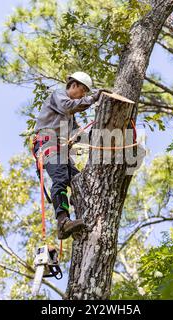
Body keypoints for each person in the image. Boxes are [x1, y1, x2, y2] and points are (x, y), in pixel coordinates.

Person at [33, 72, 108, 239]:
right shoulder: (58, 96)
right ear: (73, 85)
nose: (83, 95)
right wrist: (93, 99)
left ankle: (80, 213)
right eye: (82, 91)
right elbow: (68, 105)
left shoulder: (70, 116)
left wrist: (99, 137)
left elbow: (77, 133)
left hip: (60, 149)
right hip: (48, 144)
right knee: (59, 178)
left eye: (86, 94)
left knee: (80, 180)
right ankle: (63, 222)